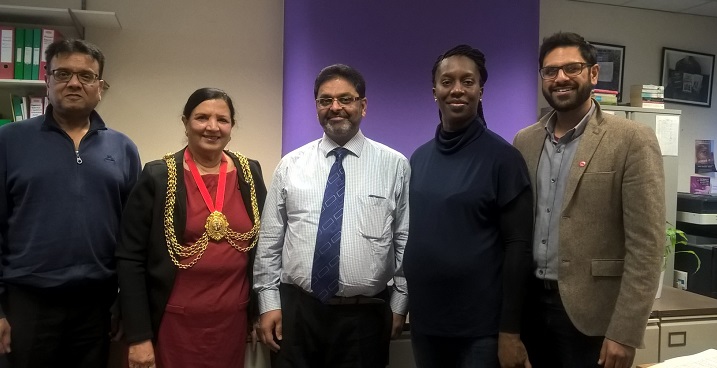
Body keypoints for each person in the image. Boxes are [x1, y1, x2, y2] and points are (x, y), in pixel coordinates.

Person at [513, 32, 665, 368]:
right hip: (531, 309)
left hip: (595, 315)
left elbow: (647, 245)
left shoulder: (631, 140)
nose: (560, 78)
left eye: (572, 68)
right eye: (550, 71)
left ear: (593, 74)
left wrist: (625, 331)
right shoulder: (524, 141)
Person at [253, 64, 410, 368]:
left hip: (365, 317)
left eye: (345, 99)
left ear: (362, 106)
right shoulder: (290, 165)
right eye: (325, 100)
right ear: (316, 108)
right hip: (297, 314)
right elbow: (270, 242)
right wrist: (268, 304)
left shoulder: (395, 165)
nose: (335, 107)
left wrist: (400, 304)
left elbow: (405, 239)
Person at [0, 39, 141, 367]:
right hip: (27, 302)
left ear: (100, 87)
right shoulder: (9, 141)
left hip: (97, 306)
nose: (74, 82)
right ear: (47, 80)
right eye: (63, 73)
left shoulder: (123, 148)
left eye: (86, 76)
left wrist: (125, 303)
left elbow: (132, 238)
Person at [116, 88, 267, 368]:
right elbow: (130, 259)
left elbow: (263, 250)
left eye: (222, 119)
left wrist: (260, 312)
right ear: (185, 123)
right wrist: (139, 336)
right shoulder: (158, 176)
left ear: (232, 127)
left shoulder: (250, 173)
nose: (212, 127)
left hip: (232, 323)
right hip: (173, 323)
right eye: (201, 118)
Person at [403, 44, 533, 368]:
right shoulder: (419, 158)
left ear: (480, 90)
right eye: (447, 81)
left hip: (481, 333)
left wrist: (510, 331)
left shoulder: (504, 159)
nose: (457, 89)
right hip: (426, 326)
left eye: (468, 81)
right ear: (434, 91)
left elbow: (518, 246)